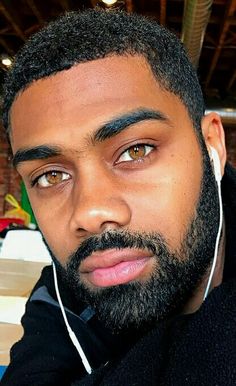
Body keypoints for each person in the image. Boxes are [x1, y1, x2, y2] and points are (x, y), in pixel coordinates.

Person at [1, 8, 236, 386]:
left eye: (135, 151)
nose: (91, 212)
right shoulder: (59, 295)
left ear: (212, 148)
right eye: (51, 175)